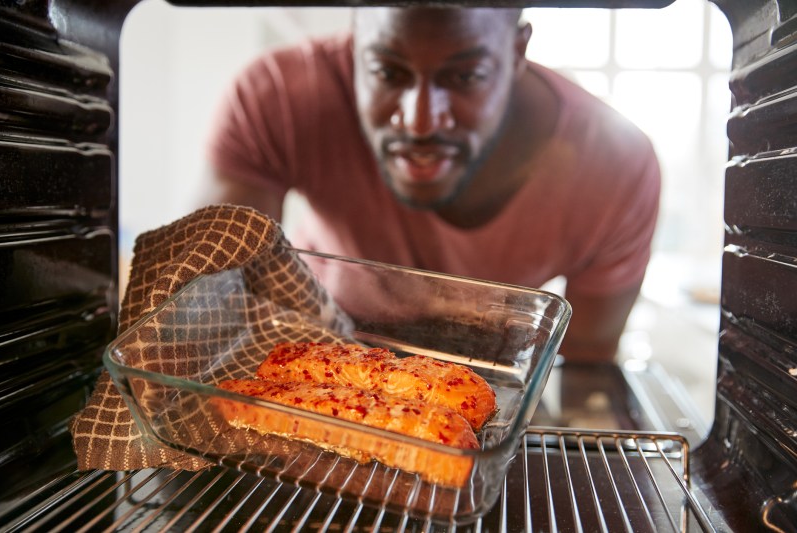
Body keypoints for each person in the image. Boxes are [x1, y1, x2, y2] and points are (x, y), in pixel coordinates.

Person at [205, 7, 661, 364]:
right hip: (317, 359)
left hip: (487, 384)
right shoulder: (279, 96)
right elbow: (209, 300)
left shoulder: (615, 166)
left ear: (517, 52)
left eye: (464, 77)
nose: (420, 122)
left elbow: (586, 361)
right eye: (388, 72)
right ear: (355, 40)